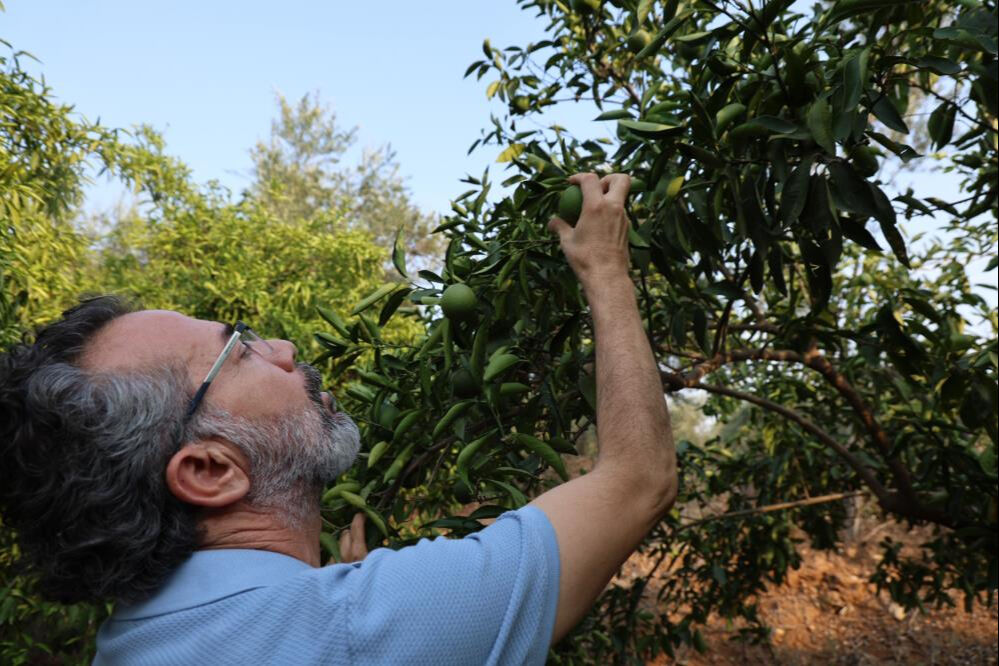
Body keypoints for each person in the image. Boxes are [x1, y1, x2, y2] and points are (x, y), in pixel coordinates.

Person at [0, 172, 676, 665]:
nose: (286, 350)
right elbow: (636, 480)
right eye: (240, 349)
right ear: (209, 471)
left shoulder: (129, 644)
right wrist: (605, 270)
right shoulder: (358, 625)